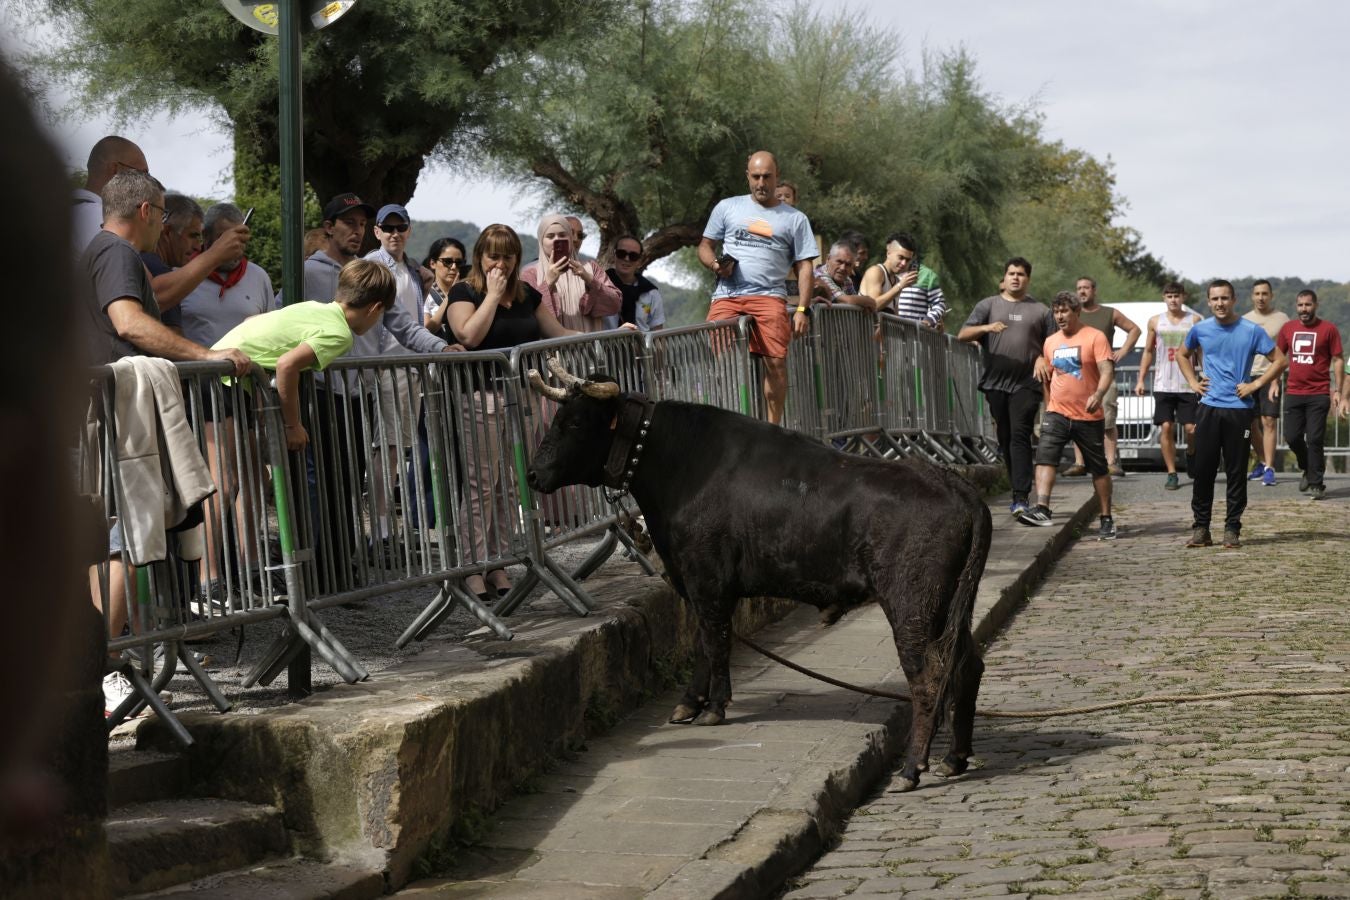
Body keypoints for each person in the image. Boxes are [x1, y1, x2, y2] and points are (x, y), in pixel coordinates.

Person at [80, 168, 250, 713]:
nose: (165, 233)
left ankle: (104, 663)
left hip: (102, 419)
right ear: (149, 212)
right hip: (112, 423)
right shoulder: (118, 254)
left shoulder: (99, 251)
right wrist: (206, 356)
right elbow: (128, 322)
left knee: (110, 542)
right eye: (164, 219)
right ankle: (106, 667)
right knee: (123, 544)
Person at [443, 225, 587, 601]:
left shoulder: (527, 294)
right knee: (481, 486)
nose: (500, 263)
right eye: (493, 255)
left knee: (508, 484)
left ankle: (499, 562)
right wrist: (491, 296)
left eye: (508, 255)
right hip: (479, 397)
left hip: (519, 397)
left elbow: (556, 332)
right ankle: (473, 567)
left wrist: (614, 332)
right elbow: (468, 336)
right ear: (480, 257)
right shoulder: (465, 291)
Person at [179, 203, 274, 595]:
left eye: (243, 237)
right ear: (210, 239)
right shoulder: (186, 275)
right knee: (219, 480)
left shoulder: (258, 276)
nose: (238, 246)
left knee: (251, 478)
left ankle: (251, 568)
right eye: (230, 238)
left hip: (248, 387)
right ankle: (209, 577)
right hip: (202, 388)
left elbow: (271, 324)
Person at [212, 259, 395, 452]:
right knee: (230, 474)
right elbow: (286, 365)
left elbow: (252, 320)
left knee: (255, 476)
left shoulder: (312, 307)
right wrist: (292, 426)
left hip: (222, 370)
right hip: (223, 380)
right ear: (375, 308)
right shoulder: (340, 334)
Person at [699, 150, 817, 425]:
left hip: (768, 297)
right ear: (747, 177)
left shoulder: (795, 219)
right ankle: (725, 426)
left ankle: (772, 430)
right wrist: (717, 265)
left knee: (776, 364)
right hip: (727, 294)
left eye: (767, 176)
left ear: (776, 177)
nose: (761, 182)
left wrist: (802, 309)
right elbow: (705, 246)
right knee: (719, 361)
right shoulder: (727, 207)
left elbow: (805, 268)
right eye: (756, 176)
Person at [1176, 279, 1286, 549]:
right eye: (1214, 299)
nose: (1219, 304)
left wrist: (1255, 384)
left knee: (1236, 472)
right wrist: (1192, 381)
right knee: (1203, 471)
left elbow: (1280, 360)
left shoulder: (1250, 330)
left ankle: (1232, 528)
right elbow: (1182, 354)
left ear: (1234, 300)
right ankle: (1201, 529)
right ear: (1209, 301)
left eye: (1225, 298)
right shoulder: (1200, 329)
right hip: (1209, 408)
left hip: (1238, 411)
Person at [958, 257, 1055, 516]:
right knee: (1006, 436)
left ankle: (1021, 496)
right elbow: (963, 334)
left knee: (1020, 435)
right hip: (995, 382)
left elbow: (1053, 344)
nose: (1016, 278)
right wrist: (986, 327)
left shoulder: (1041, 311)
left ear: (1028, 278)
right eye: (1011, 273)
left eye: (1021, 274)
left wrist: (1043, 357)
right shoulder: (988, 305)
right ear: (1004, 277)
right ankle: (1016, 487)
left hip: (1026, 383)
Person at [1017, 292, 1116, 539]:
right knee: (1045, 458)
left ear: (1076, 312)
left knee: (1099, 469)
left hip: (1088, 413)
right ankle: (1042, 508)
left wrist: (1099, 394)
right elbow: (1048, 377)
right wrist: (1049, 406)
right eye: (1056, 312)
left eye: (1064, 311)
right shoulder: (1050, 341)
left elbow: (1107, 370)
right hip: (1057, 412)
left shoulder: (1095, 337)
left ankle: (1106, 518)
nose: (1060, 316)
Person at [1060, 277, 1141, 477]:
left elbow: (1134, 329)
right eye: (1078, 288)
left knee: (1108, 420)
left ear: (1094, 290)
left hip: (1104, 376)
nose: (1082, 292)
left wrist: (1122, 351)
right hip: (1077, 376)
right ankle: (1079, 463)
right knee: (1077, 420)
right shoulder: (1073, 315)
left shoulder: (1108, 313)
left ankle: (1111, 462)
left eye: (1086, 288)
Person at [1276, 290, 1343, 501]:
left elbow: (1338, 360)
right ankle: (1306, 467)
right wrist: (1272, 383)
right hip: (1294, 392)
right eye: (1300, 305)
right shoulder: (1288, 329)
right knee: (1292, 437)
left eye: (1308, 305)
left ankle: (1317, 483)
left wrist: (1338, 390)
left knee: (1314, 438)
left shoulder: (1328, 329)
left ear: (1316, 305)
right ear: (1296, 307)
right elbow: (1278, 358)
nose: (1304, 309)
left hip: (1319, 393)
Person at [1135, 283, 1202, 490]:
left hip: (1188, 383)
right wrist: (1140, 378)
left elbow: (1201, 351)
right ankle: (1172, 472)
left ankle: (1191, 455)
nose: (1173, 300)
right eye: (1169, 296)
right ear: (1164, 297)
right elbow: (1148, 351)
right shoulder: (1155, 321)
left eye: (1177, 296)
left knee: (1191, 429)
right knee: (1166, 427)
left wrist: (1206, 375)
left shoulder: (1195, 321)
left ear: (1183, 297)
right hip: (1164, 383)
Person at [143, 193, 250, 313]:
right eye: (192, 236)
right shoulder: (149, 266)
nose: (198, 247)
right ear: (168, 232)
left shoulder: (163, 269)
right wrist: (216, 254)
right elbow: (153, 299)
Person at [521, 214, 621, 332]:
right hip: (552, 348)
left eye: (563, 235)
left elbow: (614, 305)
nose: (557, 239)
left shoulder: (590, 268)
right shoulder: (530, 274)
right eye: (550, 236)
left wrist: (589, 279)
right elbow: (526, 314)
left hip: (590, 347)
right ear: (541, 241)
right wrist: (548, 283)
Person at [1243, 279, 1288, 486]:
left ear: (1271, 296)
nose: (1261, 297)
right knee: (1250, 424)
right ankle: (1261, 461)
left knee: (1269, 421)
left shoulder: (1282, 319)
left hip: (1270, 376)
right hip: (1247, 377)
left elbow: (1284, 353)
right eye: (1257, 294)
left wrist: (1276, 380)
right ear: (1252, 296)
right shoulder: (1243, 320)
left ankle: (1270, 468)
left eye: (1264, 294)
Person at [73, 135, 148, 254]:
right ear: (115, 170)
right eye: (142, 174)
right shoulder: (96, 216)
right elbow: (123, 269)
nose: (147, 183)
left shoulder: (77, 210)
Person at [859, 232, 946, 328]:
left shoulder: (896, 280)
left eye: (908, 260)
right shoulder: (876, 272)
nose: (904, 263)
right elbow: (874, 305)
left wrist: (934, 327)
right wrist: (900, 286)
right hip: (866, 338)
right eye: (900, 257)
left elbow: (896, 319)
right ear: (888, 253)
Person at [603, 235, 667, 332]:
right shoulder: (598, 285)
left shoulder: (651, 293)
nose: (627, 259)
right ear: (614, 255)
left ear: (639, 261)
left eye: (633, 256)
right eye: (621, 253)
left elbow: (657, 332)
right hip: (605, 346)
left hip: (641, 346)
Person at [422, 237, 469, 339]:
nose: (453, 267)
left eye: (459, 262)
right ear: (433, 263)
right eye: (447, 262)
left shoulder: (468, 291)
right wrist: (450, 296)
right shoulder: (425, 294)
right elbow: (426, 331)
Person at [810, 241, 877, 311]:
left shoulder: (847, 280)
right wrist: (868, 301)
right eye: (839, 262)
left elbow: (856, 301)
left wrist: (864, 304)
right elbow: (845, 300)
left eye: (848, 264)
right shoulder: (820, 276)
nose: (843, 268)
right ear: (828, 259)